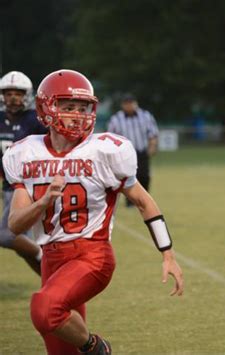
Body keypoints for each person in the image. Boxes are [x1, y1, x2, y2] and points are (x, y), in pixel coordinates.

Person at [3, 69, 184, 355]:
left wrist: (168, 254)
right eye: (69, 106)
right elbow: (14, 225)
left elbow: (144, 202)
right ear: (45, 108)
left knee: (44, 308)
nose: (78, 114)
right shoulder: (24, 152)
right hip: (51, 258)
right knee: (57, 343)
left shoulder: (105, 150)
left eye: (84, 107)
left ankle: (96, 347)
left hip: (92, 255)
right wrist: (43, 203)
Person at [0, 71, 47, 275]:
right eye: (8, 93)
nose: (12, 97)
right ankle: (49, 281)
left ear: (26, 95)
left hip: (28, 186)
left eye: (17, 93)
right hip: (8, 186)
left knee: (6, 235)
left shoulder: (35, 120)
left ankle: (44, 256)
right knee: (21, 246)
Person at [107, 93, 159, 205]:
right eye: (127, 103)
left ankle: (144, 198)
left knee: (144, 176)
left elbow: (152, 133)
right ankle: (130, 201)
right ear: (122, 105)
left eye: (131, 103)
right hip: (125, 153)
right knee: (128, 177)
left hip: (141, 151)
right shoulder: (116, 119)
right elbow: (111, 136)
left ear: (136, 103)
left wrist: (152, 146)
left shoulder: (145, 116)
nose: (129, 105)